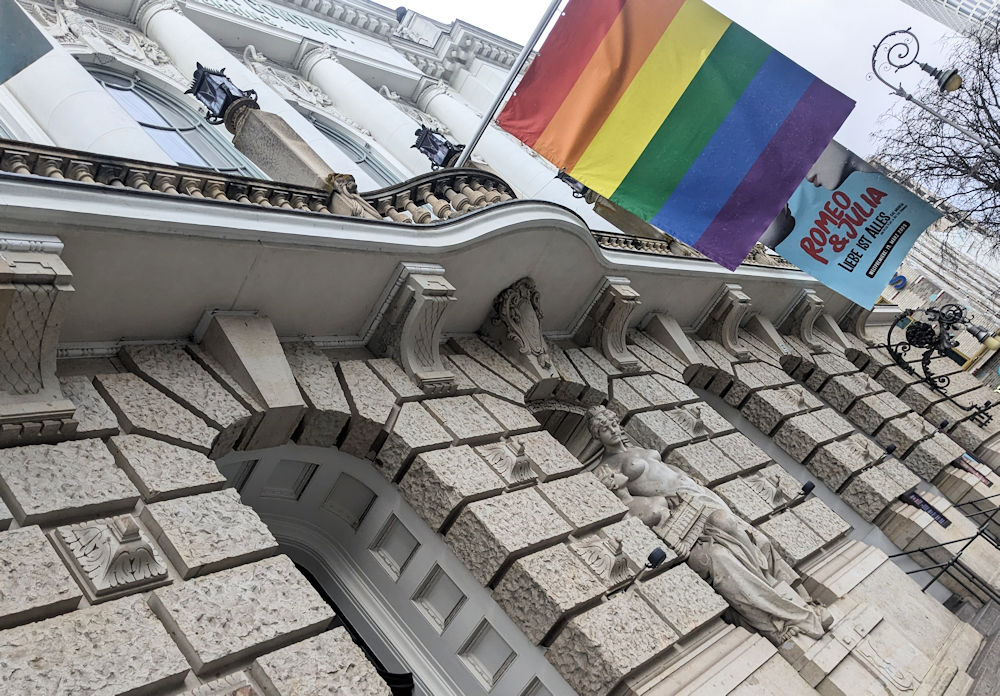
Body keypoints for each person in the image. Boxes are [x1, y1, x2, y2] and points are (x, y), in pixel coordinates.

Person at [587, 405, 832, 643]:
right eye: (605, 428)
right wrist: (661, 502)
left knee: (750, 535)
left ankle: (788, 593)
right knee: (726, 550)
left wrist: (691, 482)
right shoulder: (607, 467)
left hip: (694, 493)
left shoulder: (637, 448)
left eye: (613, 422)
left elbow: (664, 468)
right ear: (597, 436)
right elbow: (631, 506)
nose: (613, 429)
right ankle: (780, 608)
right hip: (682, 509)